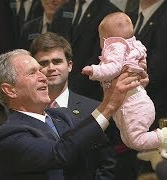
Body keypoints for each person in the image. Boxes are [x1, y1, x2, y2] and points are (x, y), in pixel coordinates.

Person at [0, 49, 144, 179]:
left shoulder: (61, 116)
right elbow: (61, 153)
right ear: (10, 90)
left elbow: (101, 142)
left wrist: (131, 87)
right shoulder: (7, 136)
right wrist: (109, 104)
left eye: (40, 71)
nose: (43, 77)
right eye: (32, 73)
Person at [82, 12, 167, 156]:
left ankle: (166, 136)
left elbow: (113, 69)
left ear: (106, 38)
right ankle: (154, 150)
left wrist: (94, 70)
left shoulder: (116, 47)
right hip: (132, 103)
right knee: (128, 140)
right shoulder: (132, 47)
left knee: (135, 139)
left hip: (133, 105)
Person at [30, 32, 116, 179]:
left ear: (69, 65)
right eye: (43, 63)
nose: (51, 68)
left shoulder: (95, 109)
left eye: (57, 61)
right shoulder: (26, 110)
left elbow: (108, 164)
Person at [50, 0, 120, 101]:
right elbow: (52, 44)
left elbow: (101, 55)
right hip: (58, 86)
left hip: (91, 90)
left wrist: (74, 85)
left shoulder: (110, 12)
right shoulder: (64, 8)